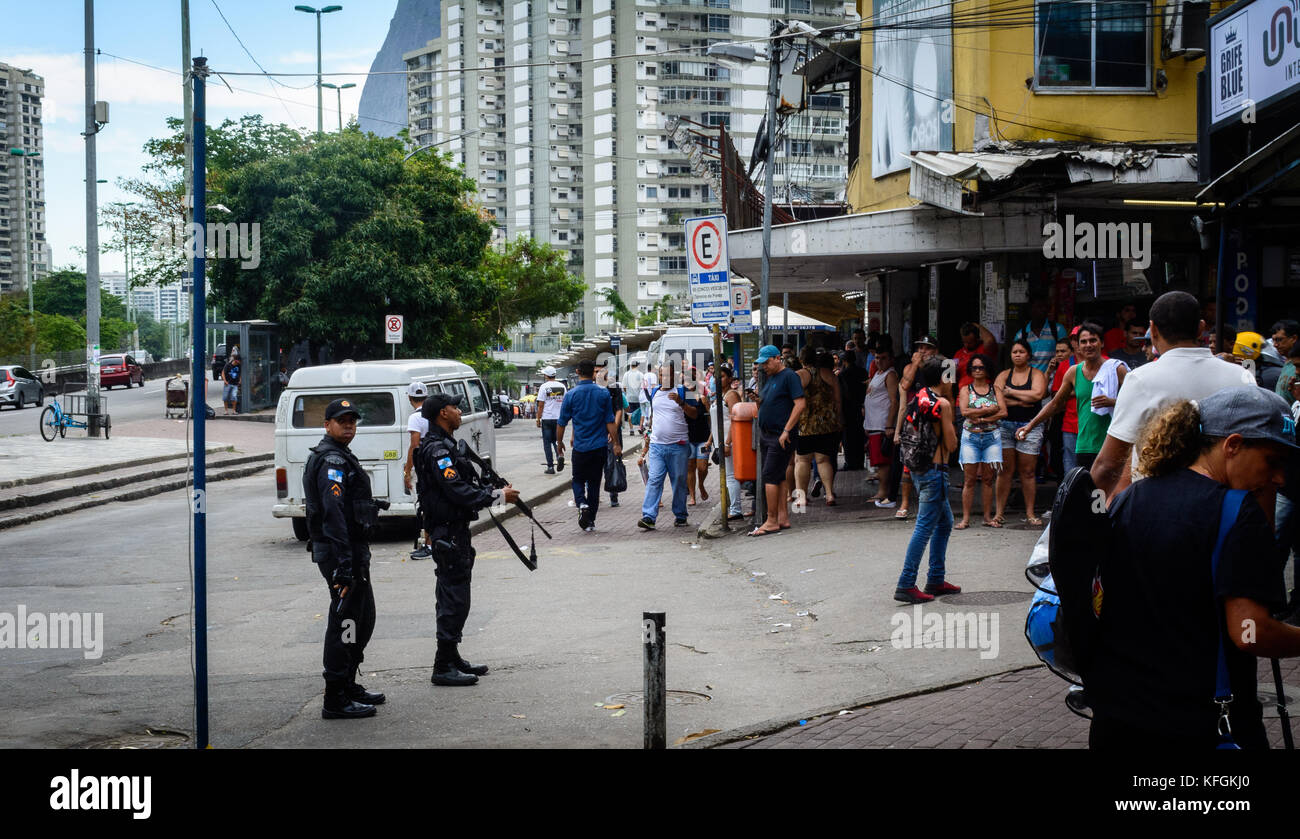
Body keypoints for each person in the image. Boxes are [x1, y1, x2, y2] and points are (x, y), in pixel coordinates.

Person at [1085, 387, 1300, 749]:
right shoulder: (1238, 513)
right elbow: (1250, 633)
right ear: (1232, 446)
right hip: (1198, 723)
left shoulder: (1132, 498)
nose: (1279, 478)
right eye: (1272, 460)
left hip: (1118, 716)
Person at [1091, 291, 1257, 502]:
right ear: (1201, 328)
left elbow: (1108, 464)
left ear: (1152, 330)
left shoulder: (1141, 380)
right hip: (1225, 506)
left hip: (1156, 507)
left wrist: (1086, 509)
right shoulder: (1242, 376)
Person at [416, 393, 520, 686]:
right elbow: (456, 491)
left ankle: (451, 656)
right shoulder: (438, 451)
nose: (459, 411)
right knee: (453, 597)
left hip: (455, 529)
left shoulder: (446, 445)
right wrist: (499, 497)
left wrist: (493, 487)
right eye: (454, 407)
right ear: (441, 414)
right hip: (447, 531)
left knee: (457, 595)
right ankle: (443, 665)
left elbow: (465, 484)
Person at [304, 398, 387, 718]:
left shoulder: (340, 456)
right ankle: (335, 696)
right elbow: (333, 514)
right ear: (327, 425)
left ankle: (348, 681)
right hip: (343, 553)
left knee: (362, 619)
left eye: (353, 420)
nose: (349, 425)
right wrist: (343, 565)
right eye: (342, 421)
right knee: (347, 622)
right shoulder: (332, 461)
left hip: (350, 551)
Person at [894, 358, 960, 604]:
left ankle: (936, 578)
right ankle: (906, 583)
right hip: (935, 471)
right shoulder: (942, 404)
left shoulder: (919, 398)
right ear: (944, 378)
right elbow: (952, 445)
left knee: (944, 523)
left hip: (919, 470)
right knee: (924, 528)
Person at [1017, 322, 1124, 471]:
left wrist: (1112, 402)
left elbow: (1136, 402)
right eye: (1084, 342)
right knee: (1088, 492)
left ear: (1102, 343)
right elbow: (1055, 404)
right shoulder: (1074, 372)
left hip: (1112, 443)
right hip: (1084, 445)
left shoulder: (1116, 369)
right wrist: (1029, 426)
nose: (1088, 345)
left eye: (1093, 340)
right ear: (1078, 347)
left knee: (1107, 493)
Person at [748, 344, 806, 537]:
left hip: (780, 435)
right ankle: (782, 517)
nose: (763, 366)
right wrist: (758, 401)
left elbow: (800, 404)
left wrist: (786, 430)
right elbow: (773, 403)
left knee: (770, 475)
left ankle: (771, 520)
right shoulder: (771, 378)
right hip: (768, 433)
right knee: (778, 475)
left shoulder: (789, 376)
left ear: (776, 358)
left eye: (766, 362)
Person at [557, 359, 619, 532]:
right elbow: (610, 421)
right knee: (594, 483)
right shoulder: (603, 394)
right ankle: (590, 520)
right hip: (599, 447)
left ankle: (581, 504)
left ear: (577, 372)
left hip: (580, 447)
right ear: (593, 373)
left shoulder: (571, 395)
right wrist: (616, 443)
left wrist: (559, 442)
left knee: (577, 480)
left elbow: (561, 422)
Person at [893, 335, 949, 520]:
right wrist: (916, 364)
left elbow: (950, 392)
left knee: (938, 461)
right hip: (915, 419)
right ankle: (905, 503)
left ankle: (937, 501)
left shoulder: (947, 366)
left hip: (937, 415)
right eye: (920, 347)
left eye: (927, 348)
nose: (922, 351)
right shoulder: (911, 366)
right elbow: (904, 385)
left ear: (936, 351)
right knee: (909, 462)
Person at [637, 361, 697, 530]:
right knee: (654, 479)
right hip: (657, 445)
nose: (665, 378)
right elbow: (655, 416)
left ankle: (680, 515)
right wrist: (648, 437)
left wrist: (681, 402)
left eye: (668, 375)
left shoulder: (683, 391)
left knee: (678, 481)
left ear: (675, 376)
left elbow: (694, 414)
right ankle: (648, 516)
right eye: (662, 375)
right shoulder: (655, 391)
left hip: (678, 445)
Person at [994, 339, 1048, 525]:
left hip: (1030, 425)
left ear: (1028, 355)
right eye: (1014, 352)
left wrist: (1011, 393)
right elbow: (996, 399)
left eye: (1021, 352)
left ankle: (1030, 513)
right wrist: (1020, 401)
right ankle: (999, 512)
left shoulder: (1037, 374)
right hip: (1005, 425)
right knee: (1004, 471)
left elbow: (1038, 395)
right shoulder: (1003, 375)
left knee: (1028, 471)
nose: (1017, 355)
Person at [955, 353, 1004, 529]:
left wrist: (981, 417)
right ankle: (965, 519)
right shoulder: (965, 390)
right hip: (971, 437)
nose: (977, 370)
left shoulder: (995, 389)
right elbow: (964, 412)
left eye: (981, 367)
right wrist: (990, 410)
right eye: (974, 367)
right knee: (969, 480)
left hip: (992, 437)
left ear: (987, 369)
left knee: (988, 479)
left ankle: (987, 517)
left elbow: (1003, 411)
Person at [795, 347, 843, 507]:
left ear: (802, 360)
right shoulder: (829, 374)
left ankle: (801, 497)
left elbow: (792, 397)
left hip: (805, 425)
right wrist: (839, 420)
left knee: (802, 460)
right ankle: (829, 494)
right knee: (823, 460)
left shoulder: (800, 375)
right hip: (826, 425)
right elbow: (837, 400)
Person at [401, 381, 434, 560]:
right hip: (434, 466)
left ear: (409, 398)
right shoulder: (434, 414)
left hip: (422, 468)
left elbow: (414, 445)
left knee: (424, 506)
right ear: (426, 397)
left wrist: (407, 470)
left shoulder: (415, 417)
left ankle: (429, 545)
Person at [864, 344, 899, 507]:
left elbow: (894, 401)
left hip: (882, 424)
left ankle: (883, 492)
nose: (879, 361)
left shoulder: (890, 375)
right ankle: (882, 490)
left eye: (883, 358)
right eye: (877, 358)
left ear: (890, 359)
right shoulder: (877, 374)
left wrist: (889, 425)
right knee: (878, 461)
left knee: (883, 461)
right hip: (873, 424)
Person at [717, 363, 746, 521]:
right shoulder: (720, 395)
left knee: (730, 476)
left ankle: (735, 509)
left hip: (731, 441)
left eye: (721, 376)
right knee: (726, 476)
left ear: (729, 379)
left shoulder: (731, 395)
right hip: (721, 441)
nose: (718, 379)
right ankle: (731, 507)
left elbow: (735, 420)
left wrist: (728, 442)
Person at [1013, 294, 1067, 373]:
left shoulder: (1058, 330)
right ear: (1031, 310)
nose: (1042, 310)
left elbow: (1065, 357)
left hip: (1052, 382)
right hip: (1030, 382)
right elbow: (1017, 362)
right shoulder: (1021, 335)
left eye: (1044, 307)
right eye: (1038, 307)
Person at [683, 370, 713, 507]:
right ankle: (692, 496)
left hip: (703, 437)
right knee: (690, 467)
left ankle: (701, 485)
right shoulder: (682, 399)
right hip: (688, 437)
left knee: (702, 467)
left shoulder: (703, 397)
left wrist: (712, 437)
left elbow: (711, 417)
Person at [838, 349, 870, 471]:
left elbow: (842, 393)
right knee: (859, 435)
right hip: (860, 407)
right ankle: (859, 461)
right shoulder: (862, 372)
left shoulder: (843, 374)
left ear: (844, 360)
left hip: (847, 408)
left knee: (848, 437)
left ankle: (849, 462)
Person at [952, 322, 999, 394]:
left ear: (977, 339)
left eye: (970, 342)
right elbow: (952, 376)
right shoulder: (958, 353)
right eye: (964, 342)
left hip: (982, 393)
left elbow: (989, 340)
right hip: (963, 393)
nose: (967, 345)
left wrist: (976, 325)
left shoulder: (984, 350)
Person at [537, 366, 566, 474]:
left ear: (546, 375)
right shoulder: (562, 386)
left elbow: (541, 405)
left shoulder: (544, 387)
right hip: (559, 418)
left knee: (547, 442)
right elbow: (565, 403)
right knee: (557, 440)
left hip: (547, 418)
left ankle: (550, 467)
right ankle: (559, 456)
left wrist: (538, 419)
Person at [606, 380, 626, 508]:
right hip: (596, 432)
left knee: (611, 463)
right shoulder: (591, 388)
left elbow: (619, 410)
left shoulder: (614, 388)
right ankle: (592, 495)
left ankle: (613, 494)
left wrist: (613, 430)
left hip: (612, 431)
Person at [1274, 320, 1300, 401]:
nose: (1275, 345)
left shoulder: (1297, 365)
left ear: (1294, 338)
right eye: (1274, 340)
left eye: (1279, 340)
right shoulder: (1288, 362)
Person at [622, 359, 644, 432]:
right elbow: (643, 386)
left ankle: (631, 430)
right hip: (638, 397)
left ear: (631, 365)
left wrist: (627, 392)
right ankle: (639, 427)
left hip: (629, 397)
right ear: (637, 366)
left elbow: (624, 387)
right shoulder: (641, 374)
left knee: (630, 413)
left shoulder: (626, 374)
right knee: (640, 412)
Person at [221, 347, 241, 415]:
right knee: (225, 397)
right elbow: (223, 373)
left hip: (235, 384)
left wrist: (240, 380)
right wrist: (225, 381)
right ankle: (226, 411)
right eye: (239, 361)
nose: (239, 362)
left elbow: (240, 373)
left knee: (234, 397)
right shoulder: (228, 365)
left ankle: (234, 410)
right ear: (236, 360)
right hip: (228, 383)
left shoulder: (238, 366)